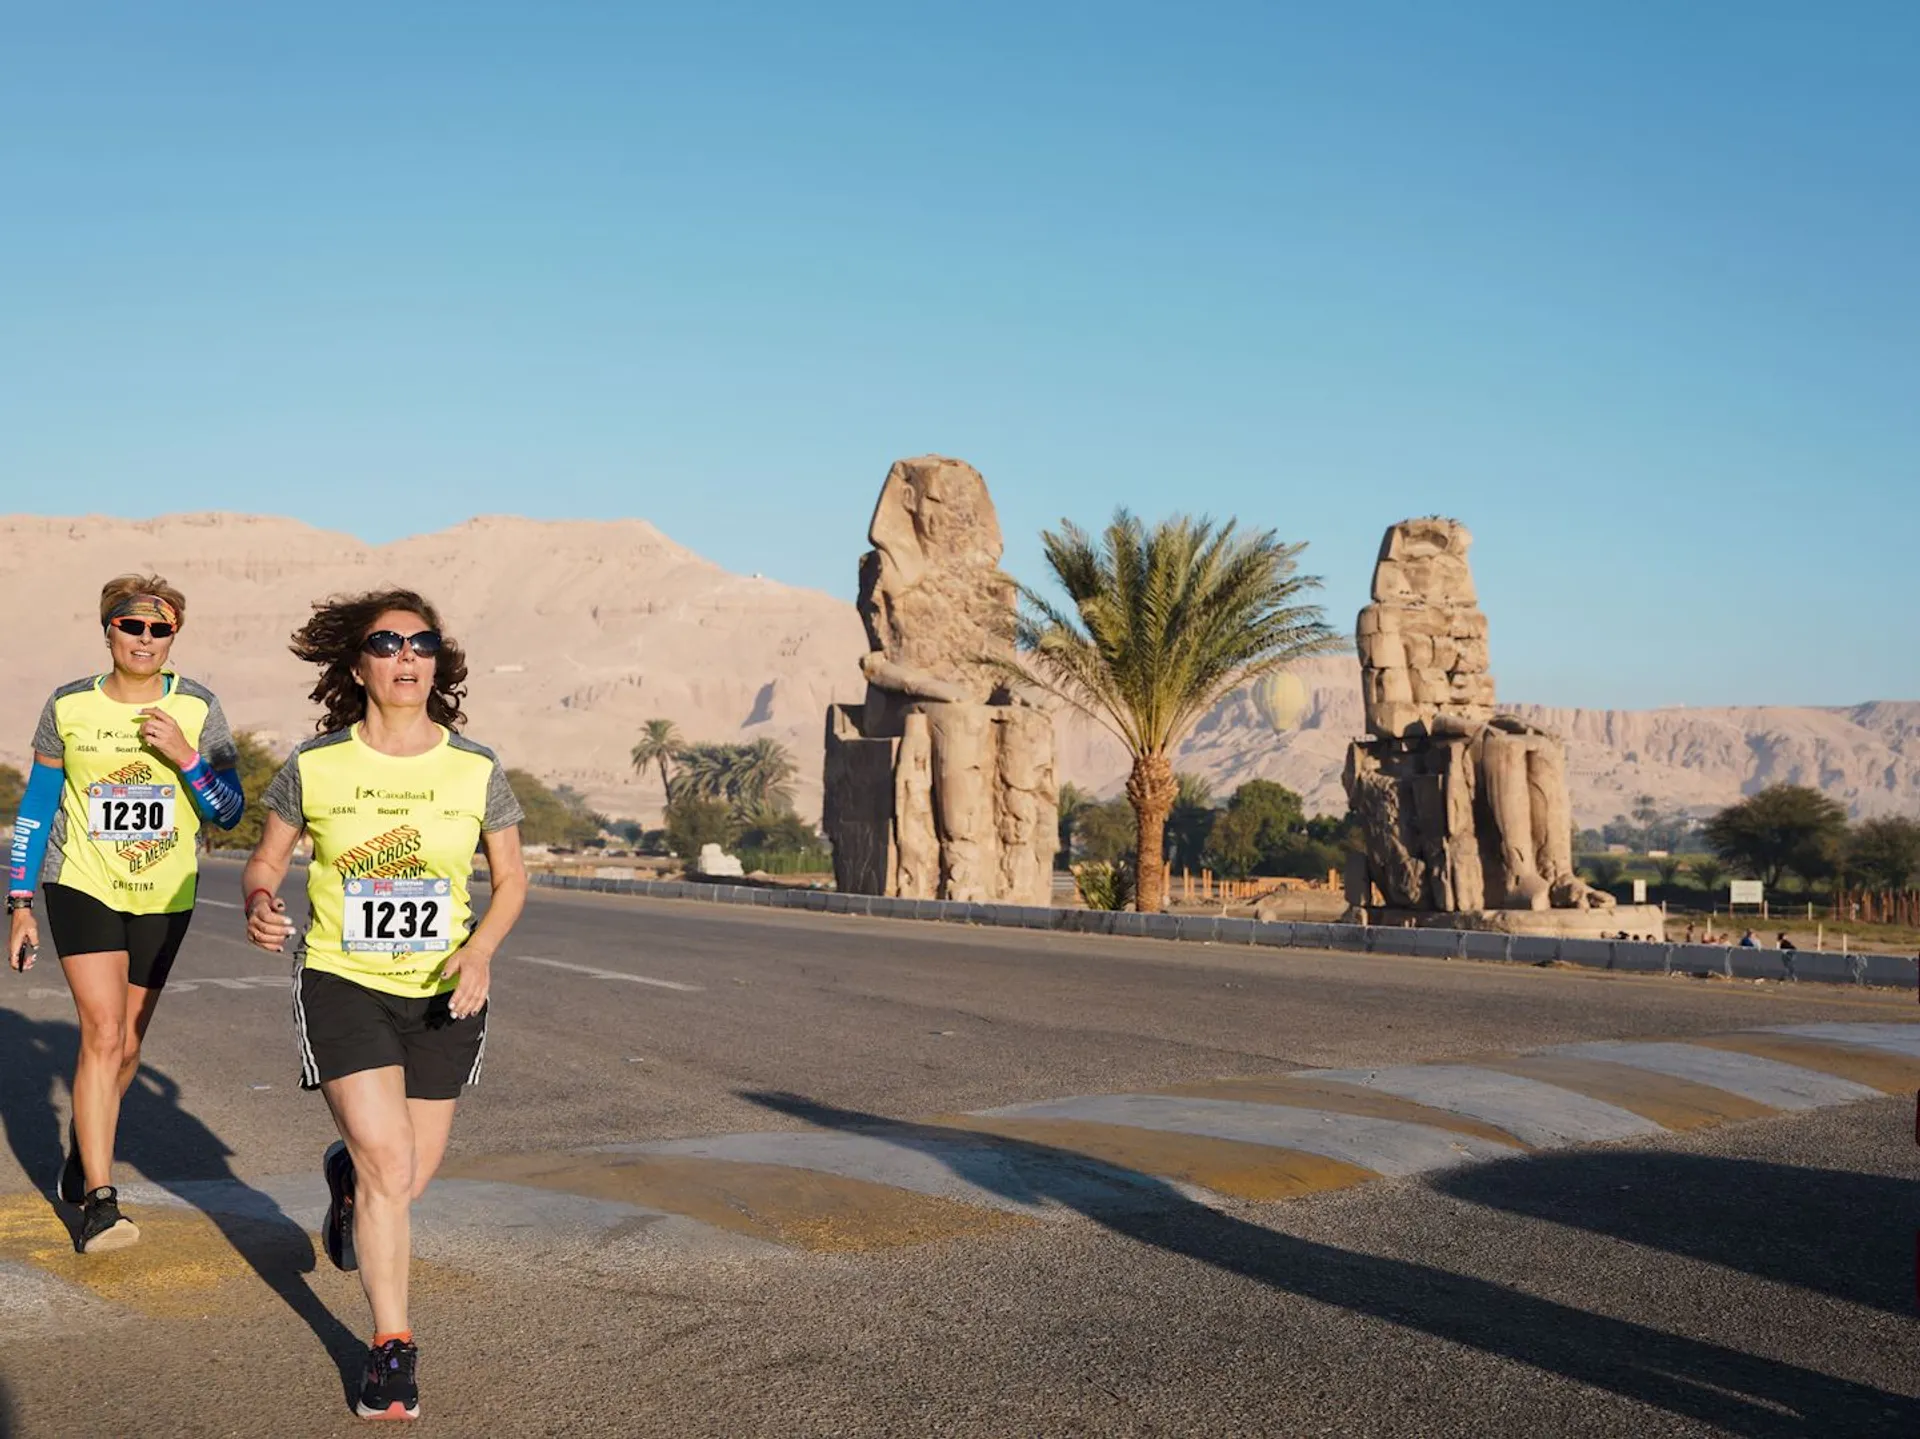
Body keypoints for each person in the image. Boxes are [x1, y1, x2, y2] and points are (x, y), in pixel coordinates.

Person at [242, 589, 525, 1422]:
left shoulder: (475, 767)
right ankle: (391, 1346)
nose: (407, 656)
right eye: (388, 642)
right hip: (342, 979)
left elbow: (510, 881)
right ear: (358, 663)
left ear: (437, 662)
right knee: (385, 1162)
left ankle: (345, 1181)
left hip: (445, 989)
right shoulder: (316, 764)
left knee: (407, 1174)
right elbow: (265, 861)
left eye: (422, 642)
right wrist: (260, 900)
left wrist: (479, 949)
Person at [7, 575, 245, 1253]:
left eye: (158, 628)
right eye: (130, 625)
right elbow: (37, 806)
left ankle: (88, 1146)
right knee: (103, 1031)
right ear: (107, 628)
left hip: (165, 893)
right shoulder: (69, 706)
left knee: (131, 1042)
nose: (143, 638)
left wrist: (185, 756)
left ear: (175, 636)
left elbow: (228, 809)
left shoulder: (198, 707)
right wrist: (20, 903)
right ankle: (101, 1203)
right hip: (81, 880)